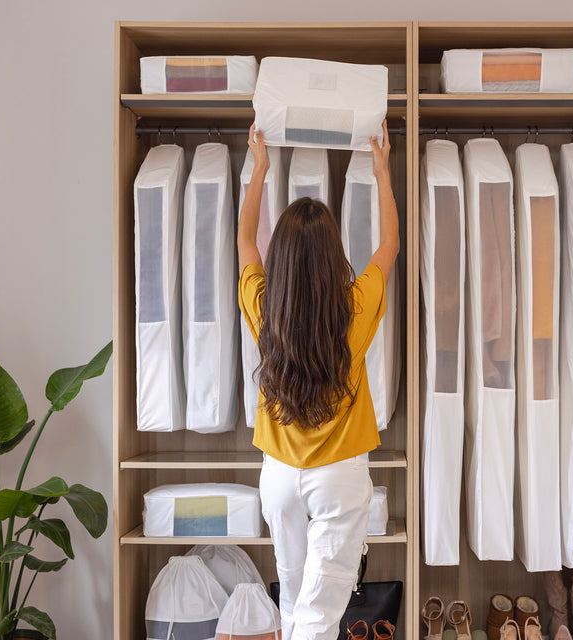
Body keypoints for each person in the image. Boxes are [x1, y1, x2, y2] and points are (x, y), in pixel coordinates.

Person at [237, 120, 399, 640]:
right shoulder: (353, 308)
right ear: (334, 261)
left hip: (279, 475)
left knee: (292, 594)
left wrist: (259, 169)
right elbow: (389, 245)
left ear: (280, 260)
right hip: (337, 475)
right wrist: (382, 170)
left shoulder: (265, 307)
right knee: (319, 612)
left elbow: (244, 240)